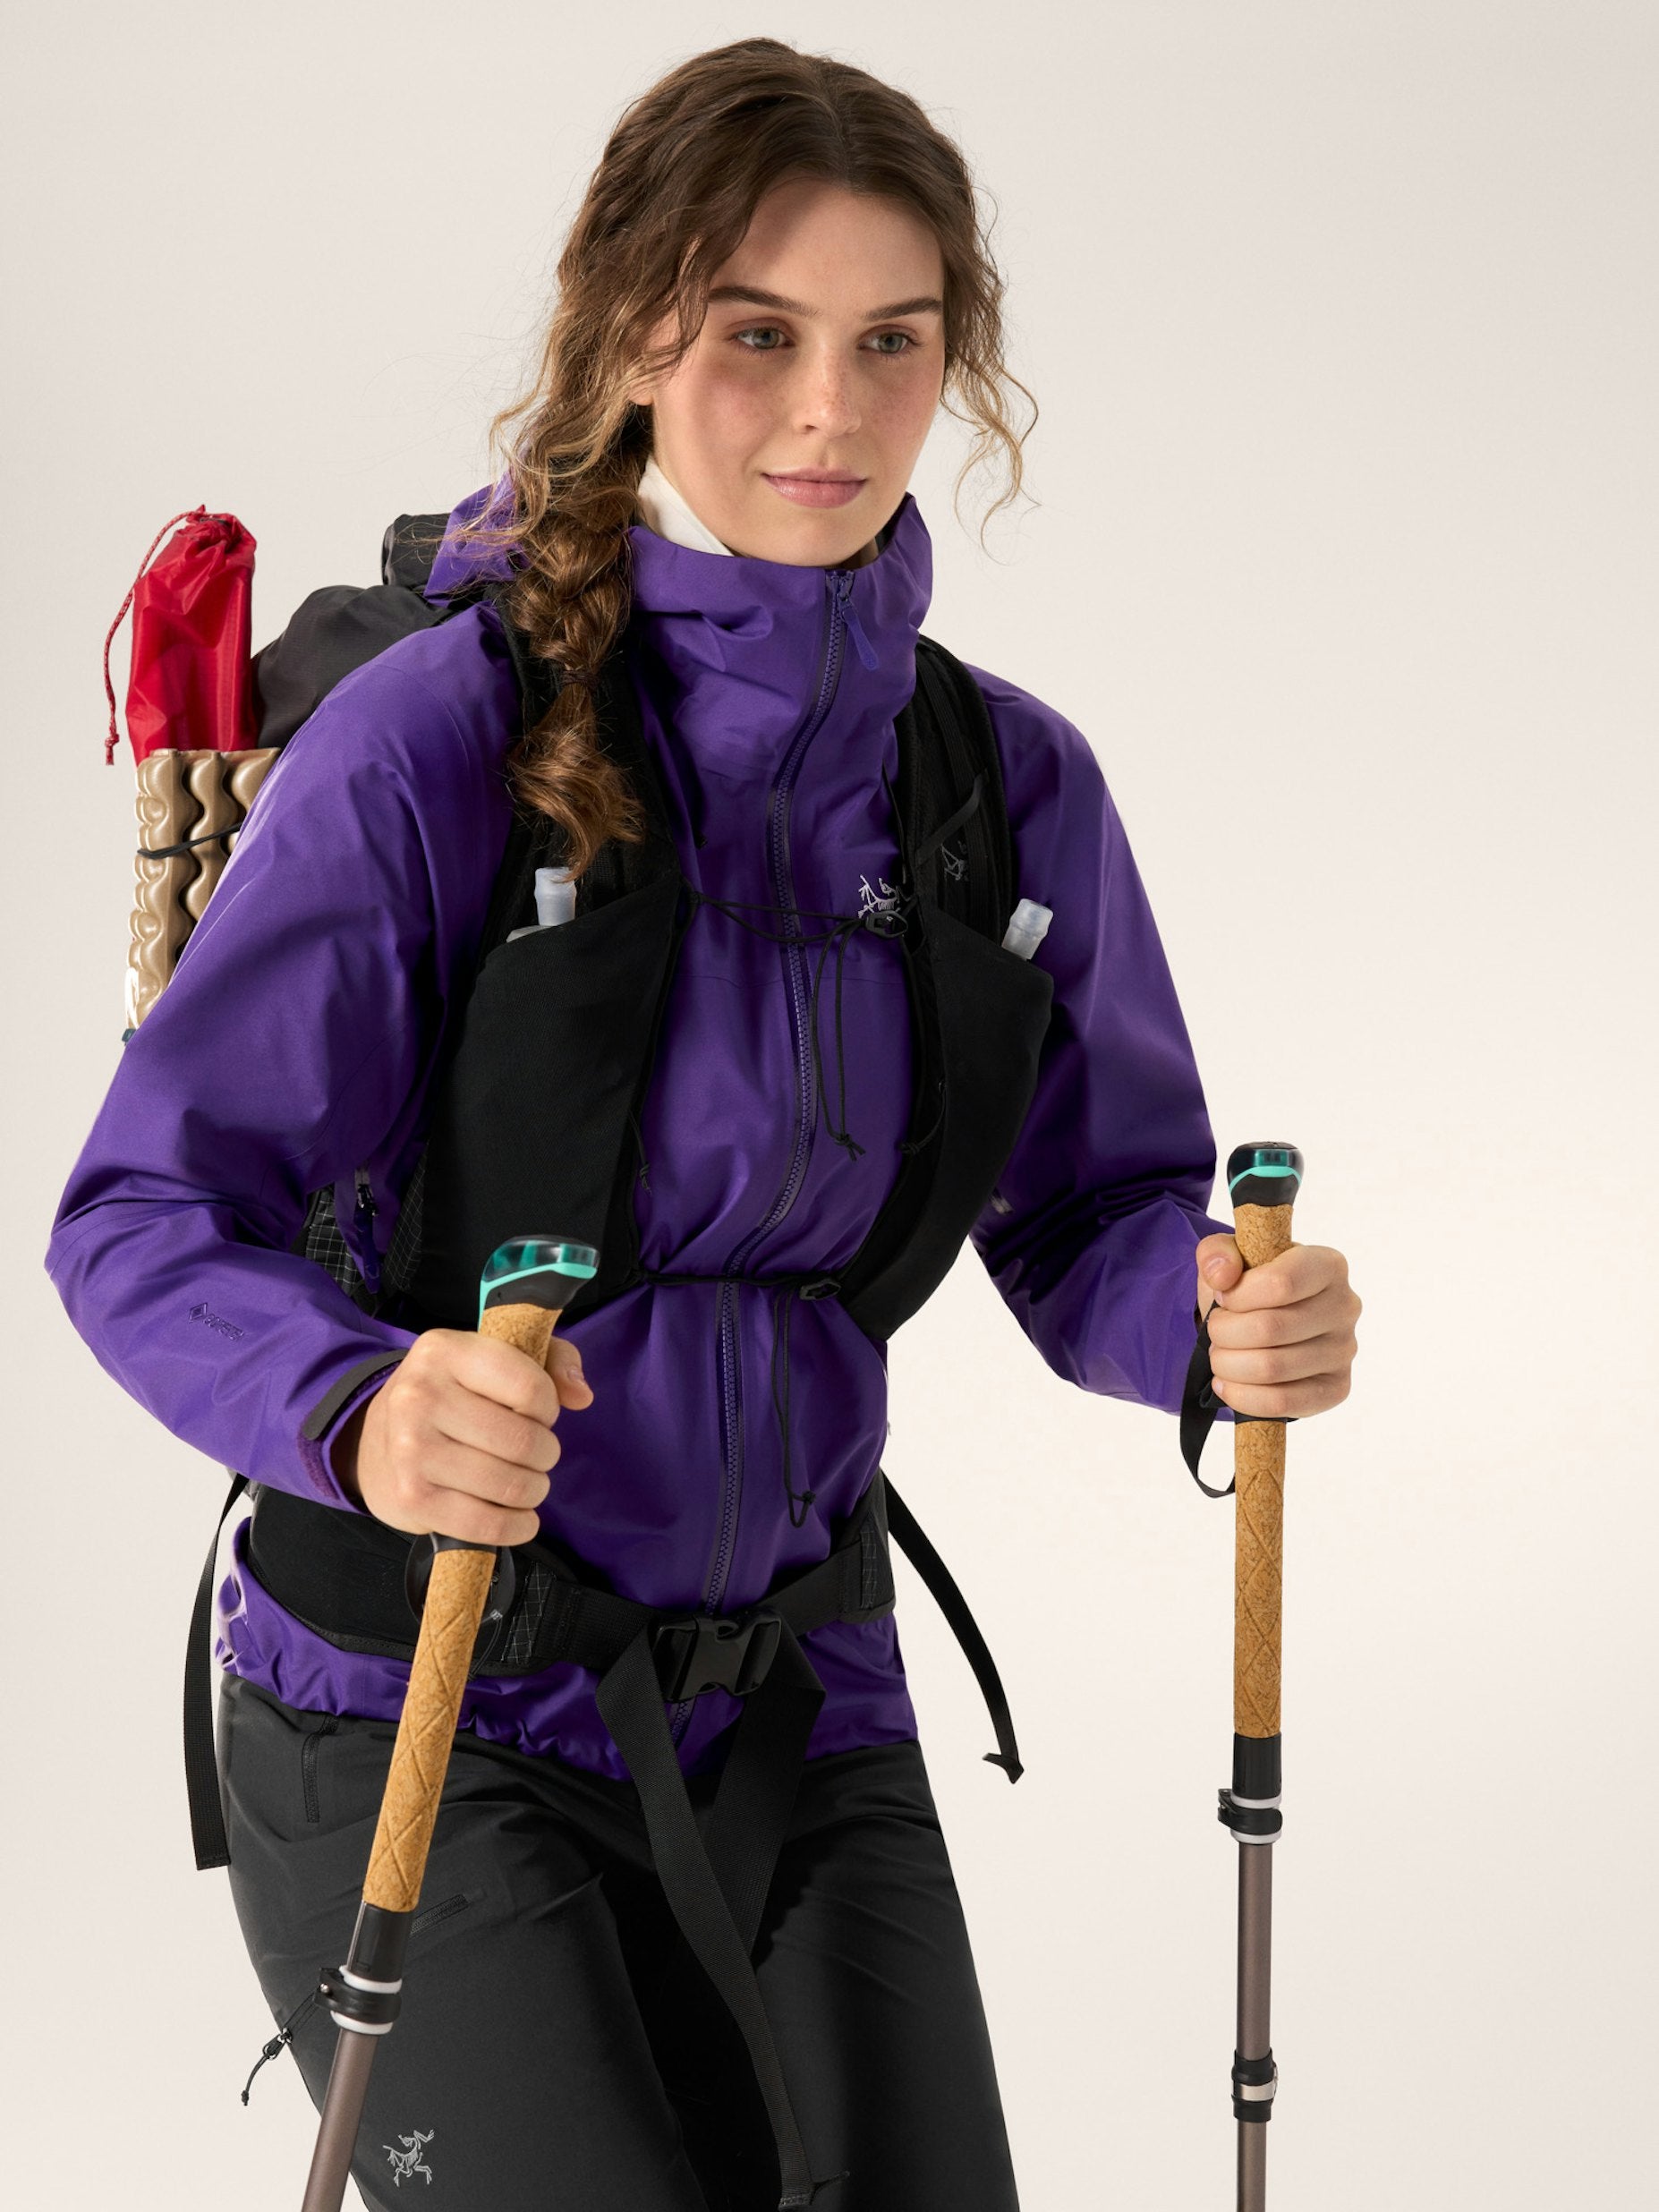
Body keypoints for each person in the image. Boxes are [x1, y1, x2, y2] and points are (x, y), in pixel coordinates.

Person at [46, 36, 1361, 2212]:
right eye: (759, 336)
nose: (830, 411)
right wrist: (366, 1408)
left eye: (892, 343)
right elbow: (142, 1216)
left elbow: (1103, 1205)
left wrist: (1212, 1317)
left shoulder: (999, 784)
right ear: (635, 336)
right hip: (417, 1692)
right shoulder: (436, 745)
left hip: (796, 1687)